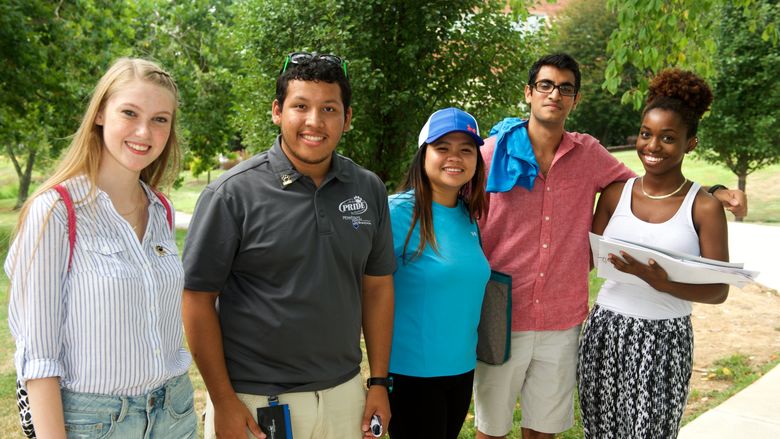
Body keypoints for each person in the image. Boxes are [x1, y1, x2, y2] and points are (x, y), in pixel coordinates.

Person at [473, 53, 747, 439]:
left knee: (543, 430)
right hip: (503, 312)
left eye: (565, 88)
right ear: (529, 92)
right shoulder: (489, 154)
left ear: (575, 99)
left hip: (562, 320)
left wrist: (714, 192)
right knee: (492, 428)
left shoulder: (589, 156)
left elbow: (656, 180)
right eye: (545, 85)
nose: (554, 94)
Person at [181, 51, 395, 439]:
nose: (315, 121)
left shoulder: (368, 189)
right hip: (254, 399)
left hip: (344, 394)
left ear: (347, 119)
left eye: (329, 108)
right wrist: (224, 400)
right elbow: (196, 299)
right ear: (278, 111)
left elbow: (377, 286)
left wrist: (378, 381)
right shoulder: (231, 195)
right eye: (301, 106)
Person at [6, 57, 195, 438]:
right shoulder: (56, 212)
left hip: (174, 412)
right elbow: (39, 361)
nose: (144, 131)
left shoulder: (161, 209)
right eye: (129, 112)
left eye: (160, 119)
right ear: (100, 115)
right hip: (95, 423)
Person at [577, 69, 728, 438]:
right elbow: (589, 257)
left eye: (668, 138)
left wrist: (663, 281)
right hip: (606, 330)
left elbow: (719, 290)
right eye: (646, 134)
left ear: (690, 144)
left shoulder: (704, 207)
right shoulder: (614, 194)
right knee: (599, 432)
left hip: (665, 339)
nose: (653, 146)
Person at [386, 108, 490, 438]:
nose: (454, 157)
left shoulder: (468, 215)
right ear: (423, 154)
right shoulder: (397, 213)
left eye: (466, 149)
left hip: (461, 369)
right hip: (410, 374)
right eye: (442, 147)